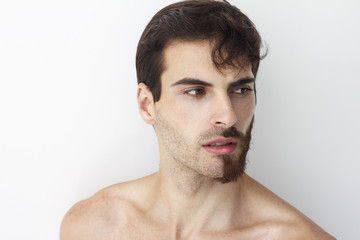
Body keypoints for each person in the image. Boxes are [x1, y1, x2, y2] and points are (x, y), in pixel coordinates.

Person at [60, 0, 335, 239]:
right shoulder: (93, 227)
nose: (228, 116)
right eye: (196, 91)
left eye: (241, 90)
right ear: (147, 105)